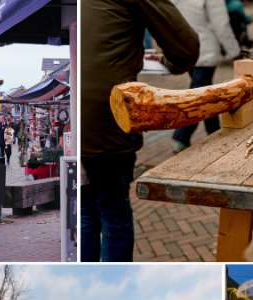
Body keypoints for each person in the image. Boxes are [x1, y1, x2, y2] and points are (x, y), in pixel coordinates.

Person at [81, 0, 199, 262]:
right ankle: (112, 283)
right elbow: (186, 50)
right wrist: (167, 62)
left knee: (87, 213)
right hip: (109, 117)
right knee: (114, 213)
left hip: (74, 121)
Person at [170, 0, 240, 153]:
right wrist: (235, 53)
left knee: (205, 89)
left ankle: (213, 131)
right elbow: (221, 25)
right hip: (204, 50)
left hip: (185, 48)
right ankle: (181, 137)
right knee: (198, 95)